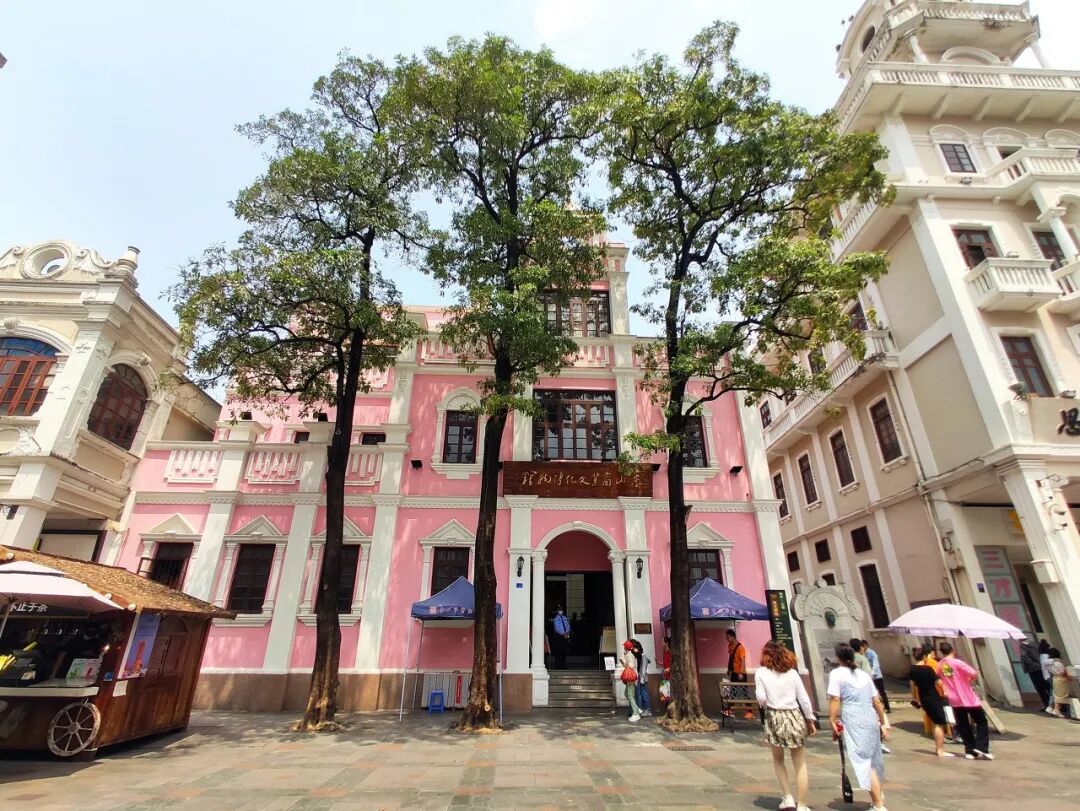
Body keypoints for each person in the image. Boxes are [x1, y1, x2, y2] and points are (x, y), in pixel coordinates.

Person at [756, 640, 817, 811]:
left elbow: (761, 697)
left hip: (774, 715)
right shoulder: (792, 673)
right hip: (794, 715)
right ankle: (802, 804)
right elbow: (803, 698)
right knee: (800, 763)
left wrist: (766, 703)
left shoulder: (761, 673)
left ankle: (788, 797)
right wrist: (810, 719)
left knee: (778, 759)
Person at [828, 643, 889, 811]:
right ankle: (878, 796)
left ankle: (878, 804)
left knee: (863, 761)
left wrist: (832, 720)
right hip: (870, 717)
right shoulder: (863, 675)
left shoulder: (837, 674)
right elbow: (876, 700)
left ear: (838, 657)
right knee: (874, 759)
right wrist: (883, 721)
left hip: (853, 718)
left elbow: (835, 699)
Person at [937, 642, 992, 760]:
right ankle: (981, 747)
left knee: (963, 724)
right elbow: (973, 673)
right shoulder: (957, 662)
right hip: (967, 698)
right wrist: (970, 678)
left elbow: (941, 676)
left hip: (954, 698)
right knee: (981, 721)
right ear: (953, 650)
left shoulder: (940, 664)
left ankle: (969, 750)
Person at [908, 644, 954, 758]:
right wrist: (946, 690)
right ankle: (940, 750)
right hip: (934, 697)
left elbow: (913, 685)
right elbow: (939, 682)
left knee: (935, 722)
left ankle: (939, 748)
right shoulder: (928, 669)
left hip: (923, 698)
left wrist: (915, 698)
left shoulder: (912, 669)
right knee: (939, 724)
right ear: (925, 656)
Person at [1020, 636, 1052, 712]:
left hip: (1033, 669)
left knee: (1040, 688)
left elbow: (1024, 657)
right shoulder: (1034, 644)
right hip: (1041, 667)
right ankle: (1053, 704)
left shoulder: (1022, 646)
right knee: (1047, 686)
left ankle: (1047, 705)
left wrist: (1033, 664)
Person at [727, 628, 753, 719]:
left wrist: (741, 673)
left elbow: (743, 660)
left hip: (741, 673)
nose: (727, 639)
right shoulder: (730, 646)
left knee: (744, 692)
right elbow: (731, 658)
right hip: (734, 672)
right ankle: (731, 710)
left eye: (728, 637)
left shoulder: (740, 647)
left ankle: (749, 712)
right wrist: (729, 669)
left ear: (733, 637)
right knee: (732, 691)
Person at [863, 639, 890, 713]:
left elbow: (876, 664)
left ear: (865, 645)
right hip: (869, 676)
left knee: (882, 692)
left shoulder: (872, 653)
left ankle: (887, 708)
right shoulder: (864, 654)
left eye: (862, 646)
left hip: (876, 676)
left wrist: (872, 673)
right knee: (872, 692)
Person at [620, 640, 643, 722]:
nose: (623, 647)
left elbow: (632, 666)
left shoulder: (630, 655)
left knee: (630, 696)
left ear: (626, 647)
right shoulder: (629, 654)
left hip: (631, 678)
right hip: (631, 678)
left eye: (624, 646)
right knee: (627, 694)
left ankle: (636, 714)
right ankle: (637, 709)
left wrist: (626, 664)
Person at [1048, 647, 1073, 718]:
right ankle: (1057, 710)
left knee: (1057, 695)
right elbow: (1062, 672)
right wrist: (1068, 677)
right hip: (1061, 680)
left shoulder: (1050, 663)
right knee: (1062, 695)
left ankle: (1056, 709)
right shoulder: (1059, 663)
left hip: (1055, 678)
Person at [630, 639, 652, 718]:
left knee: (644, 694)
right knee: (640, 694)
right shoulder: (639, 656)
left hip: (642, 677)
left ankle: (647, 710)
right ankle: (642, 709)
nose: (632, 649)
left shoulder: (643, 656)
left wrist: (642, 679)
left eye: (633, 647)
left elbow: (643, 669)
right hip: (640, 677)